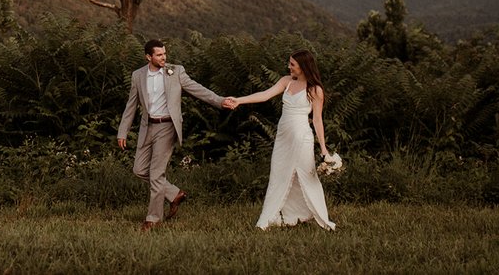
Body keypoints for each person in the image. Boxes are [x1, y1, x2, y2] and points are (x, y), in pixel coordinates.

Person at [118, 39, 233, 231]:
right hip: (147, 127)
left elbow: (198, 90)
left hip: (167, 127)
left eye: (165, 53)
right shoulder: (137, 76)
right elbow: (131, 106)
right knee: (139, 169)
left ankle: (153, 219)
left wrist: (220, 101)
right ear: (148, 57)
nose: (164, 57)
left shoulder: (176, 71)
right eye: (159, 55)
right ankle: (174, 193)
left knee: (156, 173)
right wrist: (123, 131)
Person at [227, 49, 336, 230]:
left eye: (292, 64)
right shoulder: (286, 81)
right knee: (278, 174)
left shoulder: (315, 90)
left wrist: (324, 149)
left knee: (307, 176)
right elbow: (265, 95)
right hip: (283, 137)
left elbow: (317, 120)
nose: (289, 66)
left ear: (303, 66)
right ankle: (272, 217)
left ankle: (322, 219)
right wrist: (239, 100)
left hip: (302, 138)